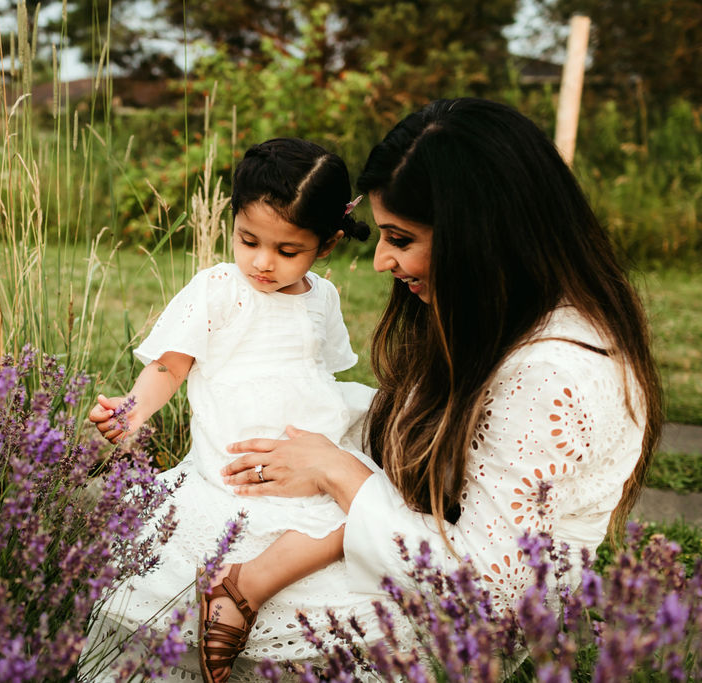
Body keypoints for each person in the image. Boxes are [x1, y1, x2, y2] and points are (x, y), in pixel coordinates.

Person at [221, 98, 663, 664]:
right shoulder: (514, 311)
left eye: (400, 239)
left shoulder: (552, 373)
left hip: (461, 627)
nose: (381, 260)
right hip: (423, 539)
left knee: (204, 580)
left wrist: (336, 469)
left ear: (480, 235)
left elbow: (486, 595)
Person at [85, 137, 376, 682]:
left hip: (308, 442)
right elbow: (171, 367)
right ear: (234, 224)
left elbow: (323, 372)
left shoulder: (323, 298)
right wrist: (132, 410)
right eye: (249, 241)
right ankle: (235, 591)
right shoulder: (220, 287)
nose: (263, 263)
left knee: (367, 512)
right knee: (277, 516)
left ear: (327, 244)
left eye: (288, 251)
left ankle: (247, 583)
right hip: (240, 444)